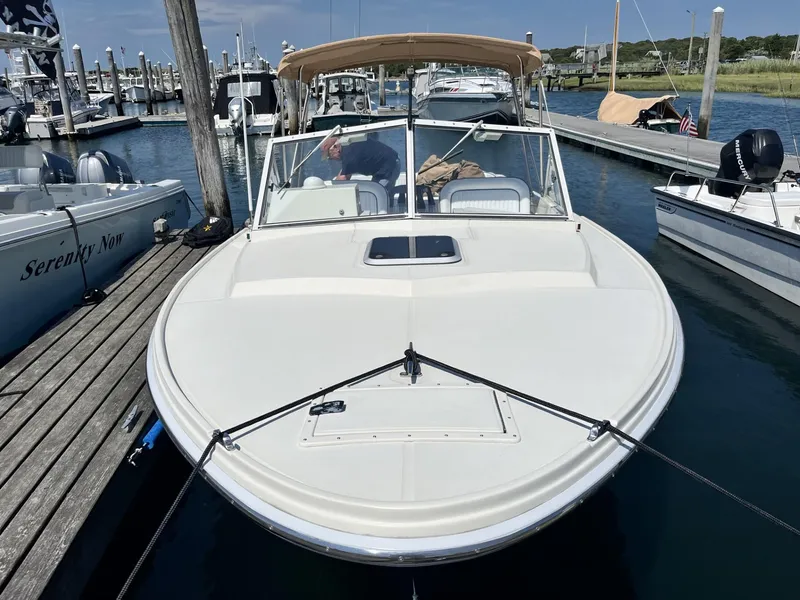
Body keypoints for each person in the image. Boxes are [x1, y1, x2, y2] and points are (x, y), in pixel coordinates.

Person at [321, 136, 401, 193]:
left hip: (389, 167)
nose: (332, 160)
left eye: (330, 157)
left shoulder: (348, 154)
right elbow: (345, 171)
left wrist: (329, 193)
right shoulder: (348, 146)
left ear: (335, 147)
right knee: (379, 193)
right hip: (388, 163)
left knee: (377, 195)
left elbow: (343, 179)